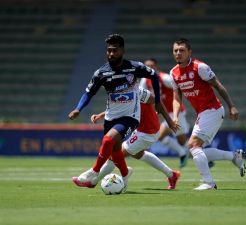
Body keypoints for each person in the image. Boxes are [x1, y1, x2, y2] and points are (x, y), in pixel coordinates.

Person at [68, 34, 177, 192]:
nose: (111, 54)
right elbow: (89, 93)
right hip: (112, 118)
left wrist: (165, 113)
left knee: (108, 141)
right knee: (118, 151)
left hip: (133, 121)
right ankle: (127, 175)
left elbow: (154, 82)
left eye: (115, 50)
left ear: (122, 51)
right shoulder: (102, 73)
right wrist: (79, 108)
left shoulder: (134, 71)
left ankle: (93, 174)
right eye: (109, 51)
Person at [170, 38, 246, 190]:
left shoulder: (200, 67)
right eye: (176, 50)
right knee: (195, 151)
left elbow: (218, 86)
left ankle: (209, 182)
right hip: (203, 113)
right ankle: (234, 156)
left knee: (192, 145)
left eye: (182, 50)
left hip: (212, 109)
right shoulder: (174, 73)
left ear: (189, 52)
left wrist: (231, 106)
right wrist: (175, 116)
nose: (178, 53)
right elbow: (177, 97)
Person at [91, 89, 181, 190]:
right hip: (142, 130)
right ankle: (172, 175)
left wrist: (169, 121)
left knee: (114, 156)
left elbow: (157, 101)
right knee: (138, 154)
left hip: (147, 132)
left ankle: (93, 181)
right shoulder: (123, 92)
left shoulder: (137, 92)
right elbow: (119, 109)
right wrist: (101, 115)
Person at [141, 58, 190, 168]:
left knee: (162, 137)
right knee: (182, 142)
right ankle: (200, 156)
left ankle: (186, 153)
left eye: (151, 66)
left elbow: (178, 87)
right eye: (146, 66)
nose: (149, 68)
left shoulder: (164, 78)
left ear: (156, 67)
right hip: (167, 114)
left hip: (177, 113)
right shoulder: (145, 80)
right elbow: (142, 96)